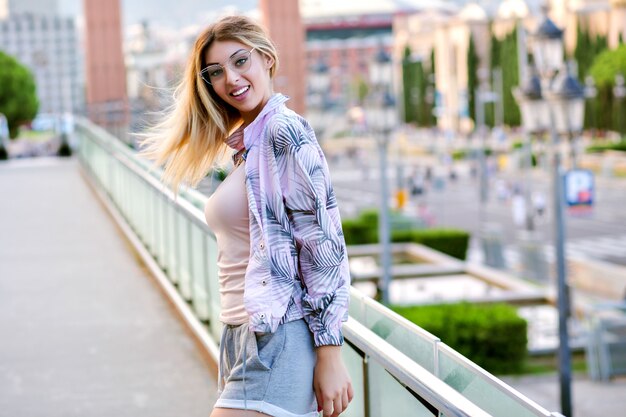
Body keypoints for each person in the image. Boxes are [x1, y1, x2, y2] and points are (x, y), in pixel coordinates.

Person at [140, 15, 353, 417]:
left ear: (267, 59)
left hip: (278, 338)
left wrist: (330, 353)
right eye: (216, 71)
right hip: (241, 334)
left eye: (241, 61)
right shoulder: (249, 147)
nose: (231, 79)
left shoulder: (285, 132)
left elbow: (323, 243)